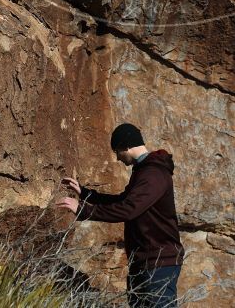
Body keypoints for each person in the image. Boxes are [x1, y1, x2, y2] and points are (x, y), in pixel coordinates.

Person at [56, 123, 184, 308]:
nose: (117, 157)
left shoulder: (153, 174)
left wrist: (82, 210)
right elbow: (122, 200)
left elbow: (128, 210)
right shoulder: (143, 171)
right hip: (144, 261)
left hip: (159, 262)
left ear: (126, 146)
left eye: (117, 151)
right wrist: (85, 194)